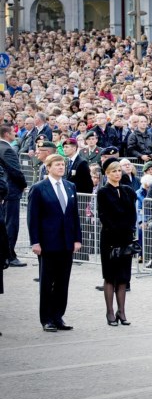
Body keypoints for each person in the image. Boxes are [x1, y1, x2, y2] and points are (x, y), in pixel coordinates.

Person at [27, 154, 82, 331]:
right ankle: (47, 318)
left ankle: (58, 316)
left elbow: (74, 216)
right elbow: (32, 217)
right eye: (57, 165)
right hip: (48, 242)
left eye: (62, 164)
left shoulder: (70, 186)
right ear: (48, 167)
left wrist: (77, 239)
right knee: (47, 281)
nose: (61, 167)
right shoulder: (39, 188)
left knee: (62, 281)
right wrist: (35, 242)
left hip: (66, 242)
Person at [96, 157, 136, 327]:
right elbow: (104, 216)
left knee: (123, 277)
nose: (117, 174)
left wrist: (129, 231)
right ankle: (110, 311)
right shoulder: (103, 192)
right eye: (114, 171)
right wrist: (118, 231)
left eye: (119, 170)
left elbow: (132, 213)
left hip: (126, 237)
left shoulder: (127, 190)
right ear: (107, 174)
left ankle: (122, 311)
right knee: (110, 276)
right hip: (110, 238)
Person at [0, 124, 28, 268]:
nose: (15, 135)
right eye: (13, 132)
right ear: (6, 134)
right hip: (10, 192)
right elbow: (15, 171)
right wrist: (23, 184)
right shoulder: (7, 150)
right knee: (11, 224)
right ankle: (10, 255)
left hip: (4, 192)